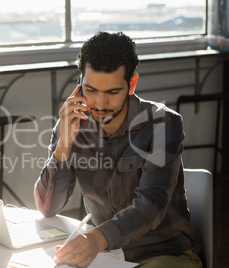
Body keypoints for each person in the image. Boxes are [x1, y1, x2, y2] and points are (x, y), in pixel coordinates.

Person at [34, 31, 202, 268]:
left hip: (163, 254)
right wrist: (63, 146)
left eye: (112, 92)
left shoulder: (163, 123)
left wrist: (97, 239)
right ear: (80, 84)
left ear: (131, 84)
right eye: (91, 90)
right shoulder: (71, 125)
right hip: (107, 256)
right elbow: (47, 208)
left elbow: (150, 205)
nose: (100, 104)